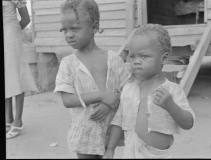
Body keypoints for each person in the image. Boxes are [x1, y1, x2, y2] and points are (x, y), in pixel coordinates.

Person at [103, 24, 196, 159]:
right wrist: (110, 149)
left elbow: (188, 123)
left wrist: (171, 106)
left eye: (144, 56)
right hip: (131, 152)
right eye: (132, 56)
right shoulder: (128, 89)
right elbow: (118, 120)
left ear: (163, 58)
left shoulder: (172, 90)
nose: (136, 61)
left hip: (158, 155)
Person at [54, 0, 130, 159]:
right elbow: (67, 100)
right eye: (64, 30)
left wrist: (109, 104)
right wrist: (102, 96)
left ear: (94, 27)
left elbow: (127, 88)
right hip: (84, 133)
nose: (68, 34)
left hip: (110, 132)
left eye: (75, 28)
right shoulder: (68, 64)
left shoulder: (113, 59)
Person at [4, 0, 39, 139]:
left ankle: (18, 123)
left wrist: (13, 32)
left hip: (11, 34)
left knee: (16, 73)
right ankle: (8, 119)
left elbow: (26, 18)